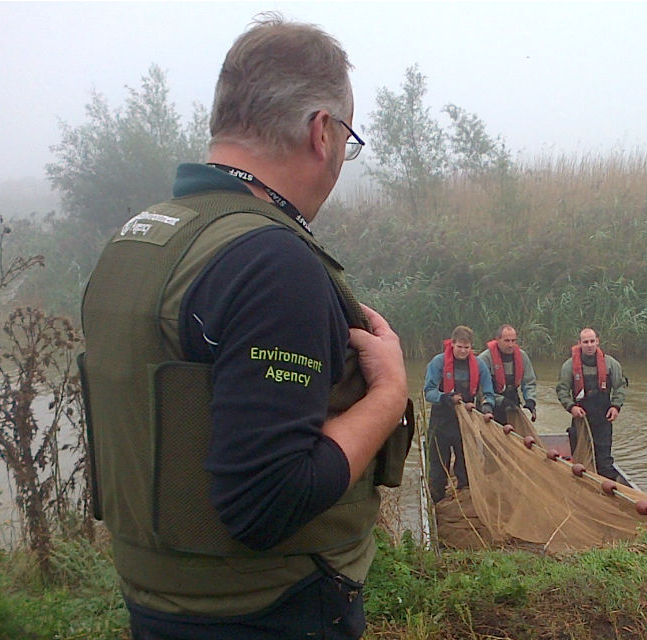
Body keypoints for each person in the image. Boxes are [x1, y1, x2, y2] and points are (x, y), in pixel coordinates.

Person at [79, 15, 411, 640]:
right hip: (272, 610)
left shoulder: (141, 239)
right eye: (349, 138)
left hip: (158, 601)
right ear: (323, 131)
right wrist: (389, 395)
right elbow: (268, 500)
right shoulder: (272, 261)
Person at [423, 325, 494, 503]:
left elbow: (488, 393)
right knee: (438, 466)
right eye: (459, 347)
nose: (463, 351)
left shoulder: (479, 365)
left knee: (465, 465)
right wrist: (447, 397)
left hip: (466, 422)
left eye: (466, 347)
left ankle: (465, 499)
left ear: (471, 347)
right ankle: (437, 498)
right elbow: (428, 392)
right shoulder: (438, 363)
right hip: (441, 421)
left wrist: (487, 407)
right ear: (452, 344)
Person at [555, 327, 627, 481]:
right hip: (581, 418)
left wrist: (616, 406)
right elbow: (562, 390)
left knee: (604, 461)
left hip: (603, 418)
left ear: (597, 342)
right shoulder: (569, 366)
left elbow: (620, 387)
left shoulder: (611, 364)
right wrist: (571, 407)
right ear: (580, 343)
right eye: (585, 342)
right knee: (580, 459)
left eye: (592, 341)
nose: (589, 345)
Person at [477, 324, 537, 426]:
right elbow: (481, 390)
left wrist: (530, 400)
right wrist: (501, 401)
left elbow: (529, 382)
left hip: (512, 403)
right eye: (507, 341)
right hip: (490, 404)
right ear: (497, 339)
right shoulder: (484, 359)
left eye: (513, 341)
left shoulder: (522, 356)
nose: (510, 345)